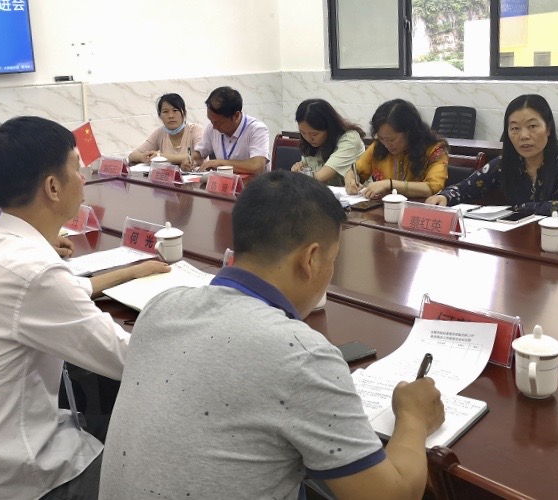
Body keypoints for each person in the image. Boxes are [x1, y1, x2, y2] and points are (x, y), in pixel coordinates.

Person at [100, 170, 445, 500]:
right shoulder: (303, 357)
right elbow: (392, 495)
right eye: (333, 260)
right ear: (311, 259)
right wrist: (413, 417)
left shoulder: (161, 307)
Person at [0, 116, 171, 499]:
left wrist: (130, 271)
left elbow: (54, 294)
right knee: (173, 461)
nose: (84, 177)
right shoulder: (34, 273)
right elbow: (131, 360)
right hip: (25, 479)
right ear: (53, 187)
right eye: (76, 167)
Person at [426, 94, 558, 218]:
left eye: (532, 126)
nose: (524, 136)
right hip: (520, 240)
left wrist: (517, 208)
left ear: (548, 129)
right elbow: (466, 188)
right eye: (515, 128)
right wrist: (445, 196)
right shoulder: (506, 162)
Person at [345, 99, 449, 199]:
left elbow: (432, 187)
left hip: (417, 208)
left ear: (409, 132)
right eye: (381, 138)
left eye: (392, 139)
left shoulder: (435, 149)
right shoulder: (379, 146)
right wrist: (351, 179)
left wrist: (390, 184)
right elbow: (356, 171)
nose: (386, 144)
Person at [187, 86, 271, 174]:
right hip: (224, 181)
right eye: (211, 121)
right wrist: (192, 161)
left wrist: (221, 163)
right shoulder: (212, 128)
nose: (214, 127)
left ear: (236, 116)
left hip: (253, 182)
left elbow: (257, 166)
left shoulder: (257, 129)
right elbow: (199, 154)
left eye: (219, 122)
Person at [290, 98, 366, 186]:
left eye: (314, 134)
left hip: (359, 193)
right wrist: (298, 169)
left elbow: (320, 177)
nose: (308, 139)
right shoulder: (310, 144)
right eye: (303, 133)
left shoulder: (350, 139)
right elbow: (308, 172)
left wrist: (299, 176)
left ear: (329, 128)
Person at [127, 93, 204, 166]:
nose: (170, 116)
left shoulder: (195, 130)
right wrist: (144, 157)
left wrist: (161, 156)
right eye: (165, 112)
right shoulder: (159, 133)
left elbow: (197, 156)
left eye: (175, 110)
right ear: (160, 116)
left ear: (184, 113)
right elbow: (132, 156)